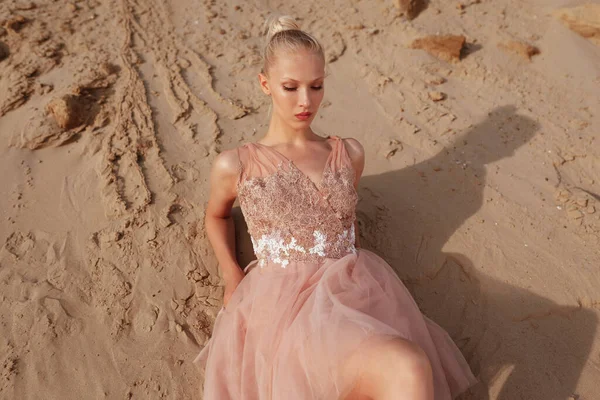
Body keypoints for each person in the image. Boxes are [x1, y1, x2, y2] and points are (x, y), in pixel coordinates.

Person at [192, 14, 477, 400]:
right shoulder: (237, 163)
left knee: (409, 365)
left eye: (317, 86)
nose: (305, 101)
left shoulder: (349, 153)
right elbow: (216, 214)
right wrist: (231, 274)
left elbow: (342, 222)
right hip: (281, 304)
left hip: (355, 291)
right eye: (290, 87)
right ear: (265, 85)